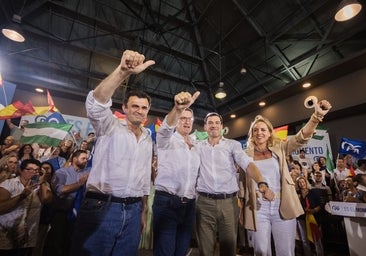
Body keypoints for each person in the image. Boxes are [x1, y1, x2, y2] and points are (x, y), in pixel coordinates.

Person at [69, 49, 155, 256]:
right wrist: (122, 72)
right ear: (124, 107)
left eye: (144, 108)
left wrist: (142, 211)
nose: (139, 111)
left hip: (134, 211)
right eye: (135, 106)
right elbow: (96, 104)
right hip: (101, 207)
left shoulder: (147, 138)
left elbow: (143, 178)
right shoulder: (108, 126)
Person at [243, 98, 332, 256]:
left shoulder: (280, 149)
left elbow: (301, 137)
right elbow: (239, 181)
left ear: (270, 132)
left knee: (286, 251)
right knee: (261, 251)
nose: (259, 133)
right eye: (255, 130)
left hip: (282, 204)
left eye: (263, 129)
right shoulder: (245, 156)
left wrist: (316, 116)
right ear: (251, 134)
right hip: (258, 207)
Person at [195, 112, 274, 256]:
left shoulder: (233, 145)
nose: (213, 125)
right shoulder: (198, 147)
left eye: (217, 122)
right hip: (204, 203)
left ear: (221, 126)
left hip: (229, 203)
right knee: (205, 250)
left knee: (229, 248)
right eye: (210, 123)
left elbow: (247, 164)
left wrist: (261, 182)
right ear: (205, 127)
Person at [153, 91, 200, 256]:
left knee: (181, 252)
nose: (186, 121)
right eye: (183, 117)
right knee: (164, 252)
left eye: (190, 118)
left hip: (189, 206)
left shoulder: (196, 146)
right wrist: (178, 109)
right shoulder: (166, 139)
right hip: (167, 203)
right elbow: (166, 128)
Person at [0, 159, 53, 255]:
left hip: (27, 237)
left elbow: (46, 199)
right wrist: (22, 195)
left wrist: (42, 182)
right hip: (6, 236)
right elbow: (1, 208)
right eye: (29, 169)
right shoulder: (8, 184)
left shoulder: (41, 186)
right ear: (21, 170)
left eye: (37, 170)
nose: (33, 173)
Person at [45, 150, 89, 256]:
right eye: (83, 158)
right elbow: (60, 190)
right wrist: (79, 184)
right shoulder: (62, 172)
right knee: (57, 243)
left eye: (87, 159)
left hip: (80, 214)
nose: (86, 161)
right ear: (74, 159)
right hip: (62, 213)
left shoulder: (87, 173)